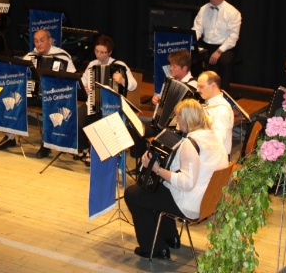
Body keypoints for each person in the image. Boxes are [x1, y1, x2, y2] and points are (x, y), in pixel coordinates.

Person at [124, 99, 228, 260]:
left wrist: (157, 170)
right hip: (210, 201)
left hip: (191, 204)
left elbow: (186, 183)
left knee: (133, 194)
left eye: (178, 117)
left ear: (187, 119)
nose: (177, 121)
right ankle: (170, 237)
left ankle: (154, 248)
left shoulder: (190, 143)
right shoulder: (214, 136)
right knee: (158, 188)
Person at [0, 29, 76, 159]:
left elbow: (73, 78)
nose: (38, 44)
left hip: (54, 97)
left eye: (42, 40)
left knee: (53, 106)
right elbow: (17, 73)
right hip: (33, 94)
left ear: (50, 41)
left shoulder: (62, 56)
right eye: (36, 41)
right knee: (12, 98)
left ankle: (47, 144)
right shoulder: (30, 56)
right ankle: (10, 137)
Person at [77, 34, 137, 165]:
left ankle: (97, 153)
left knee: (100, 122)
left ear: (109, 53)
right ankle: (86, 149)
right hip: (93, 102)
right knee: (77, 121)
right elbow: (83, 80)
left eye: (103, 52)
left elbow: (133, 85)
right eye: (97, 51)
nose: (99, 55)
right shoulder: (92, 64)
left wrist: (122, 80)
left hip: (112, 106)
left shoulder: (119, 65)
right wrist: (84, 87)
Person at [192, 0, 242, 92]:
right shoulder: (204, 9)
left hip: (224, 46)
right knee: (191, 56)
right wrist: (191, 41)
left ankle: (222, 93)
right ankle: (197, 89)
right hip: (206, 44)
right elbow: (197, 28)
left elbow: (233, 37)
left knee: (225, 62)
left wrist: (219, 51)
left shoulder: (233, 12)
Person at [196, 71, 234, 158]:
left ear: (213, 86)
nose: (198, 90)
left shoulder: (221, 109)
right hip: (209, 155)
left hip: (216, 159)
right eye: (197, 86)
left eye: (201, 86)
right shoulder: (208, 103)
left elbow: (218, 140)